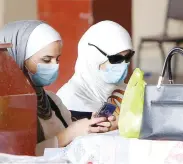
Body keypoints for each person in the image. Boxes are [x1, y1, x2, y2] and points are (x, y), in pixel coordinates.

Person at [0, 20, 113, 156]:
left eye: (57, 59)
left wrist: (89, 126)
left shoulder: (51, 101)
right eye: (46, 60)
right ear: (16, 57)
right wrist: (68, 135)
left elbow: (71, 132)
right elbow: (17, 157)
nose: (55, 66)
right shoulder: (7, 107)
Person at [57, 20, 133, 129]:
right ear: (94, 57)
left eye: (127, 57)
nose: (124, 64)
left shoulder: (124, 92)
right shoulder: (67, 101)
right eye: (116, 59)